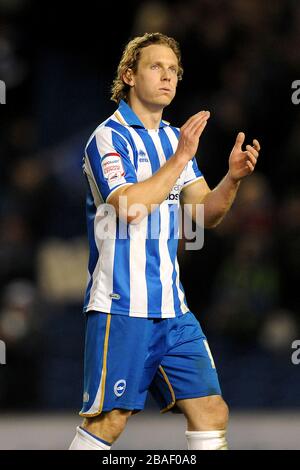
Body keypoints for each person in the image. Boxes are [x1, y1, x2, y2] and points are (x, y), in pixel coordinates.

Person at [69, 32, 260, 451]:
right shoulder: (108, 137)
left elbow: (204, 215)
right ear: (129, 75)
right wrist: (180, 159)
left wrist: (231, 179)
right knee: (110, 421)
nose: (168, 76)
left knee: (211, 409)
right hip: (122, 304)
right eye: (156, 66)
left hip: (173, 309)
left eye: (174, 70)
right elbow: (131, 207)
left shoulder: (176, 139)